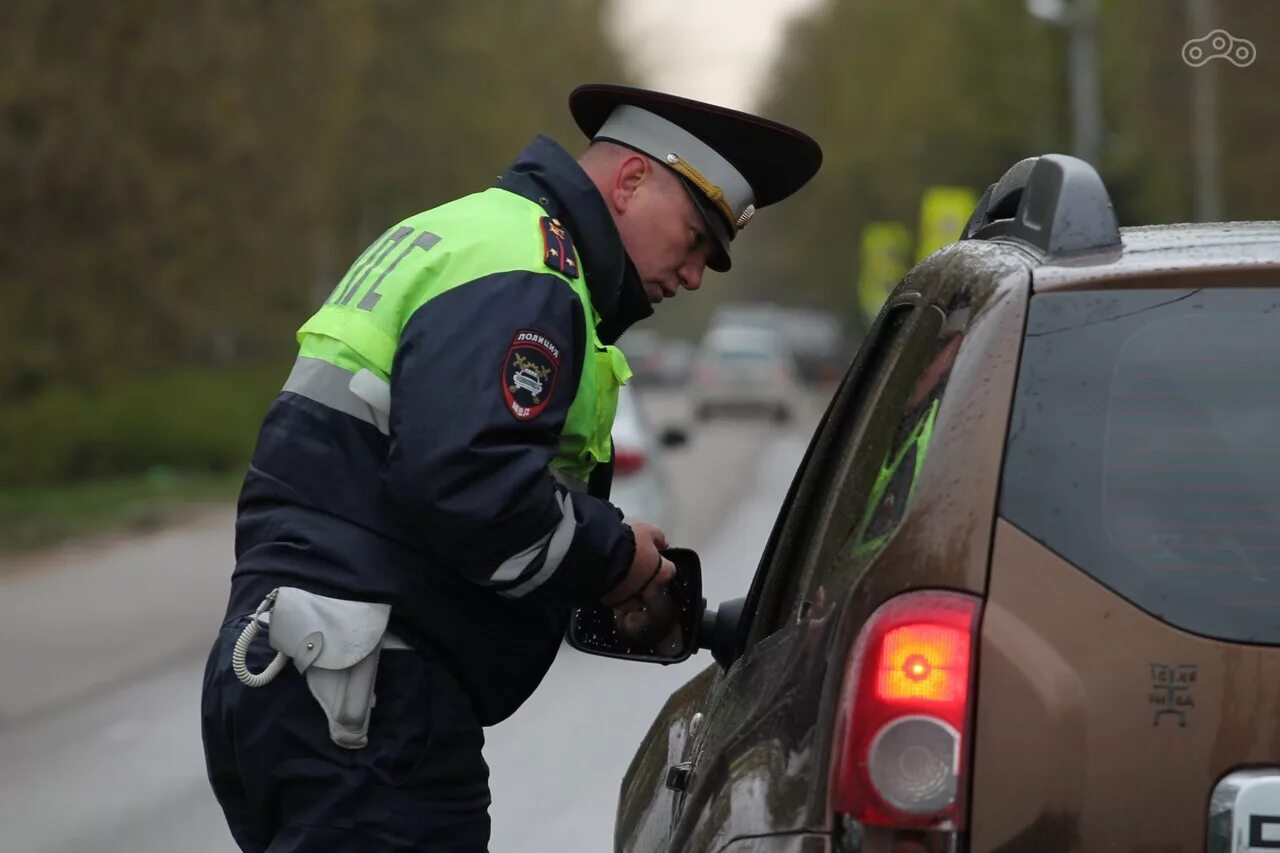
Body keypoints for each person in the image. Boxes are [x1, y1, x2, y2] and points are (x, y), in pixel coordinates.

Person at [200, 83, 822, 852]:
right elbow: (470, 488)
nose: (693, 275)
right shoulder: (531, 270)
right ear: (630, 183)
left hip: (289, 673)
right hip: (371, 705)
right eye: (695, 238)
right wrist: (617, 557)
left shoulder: (457, 232)